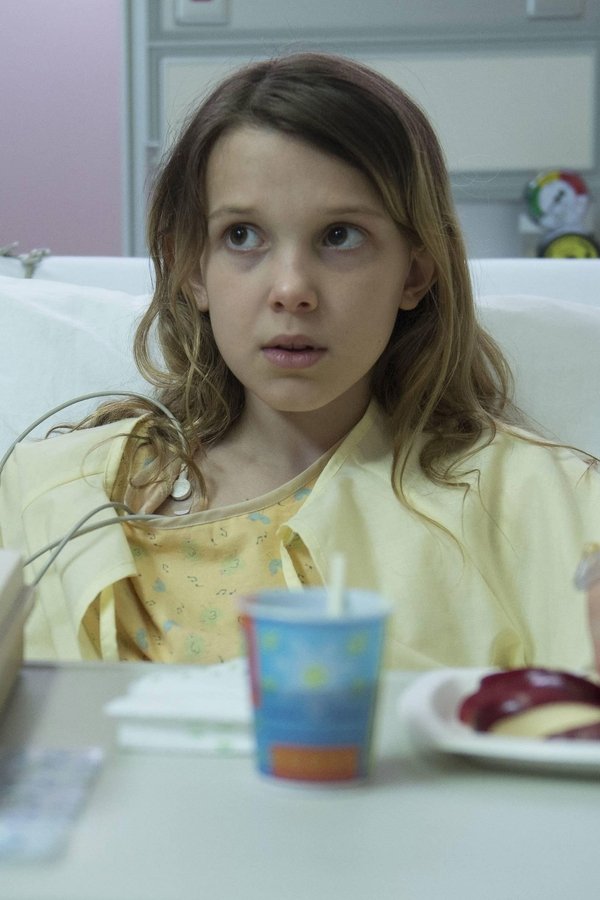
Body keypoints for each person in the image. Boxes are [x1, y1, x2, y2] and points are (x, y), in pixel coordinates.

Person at [1, 52, 599, 669]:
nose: (291, 289)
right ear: (192, 270)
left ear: (415, 273)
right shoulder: (53, 493)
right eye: (242, 235)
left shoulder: (542, 507)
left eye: (340, 236)